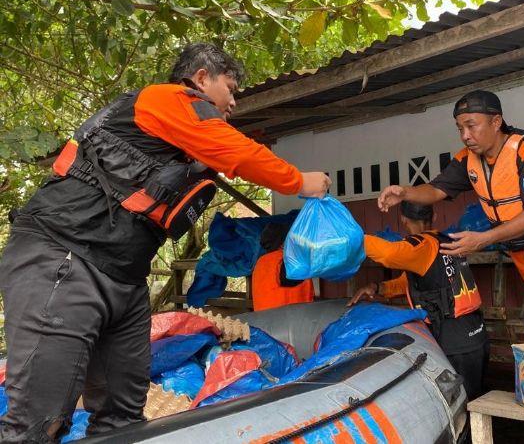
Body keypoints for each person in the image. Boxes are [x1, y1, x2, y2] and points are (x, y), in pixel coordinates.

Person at [0, 42, 330, 443]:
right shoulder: (167, 99)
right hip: (64, 258)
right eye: (230, 89)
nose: (233, 103)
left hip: (125, 280)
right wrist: (302, 182)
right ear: (201, 78)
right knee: (40, 421)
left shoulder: (184, 140)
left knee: (123, 415)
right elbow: (239, 154)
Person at [377, 90, 524, 444]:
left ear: (495, 122)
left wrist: (482, 239)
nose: (465, 135)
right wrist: (406, 193)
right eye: (460, 128)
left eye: (471, 126)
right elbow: (437, 191)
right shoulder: (467, 161)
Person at [348, 201, 490, 405]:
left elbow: (388, 254)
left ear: (404, 220)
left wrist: (351, 237)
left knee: (460, 407)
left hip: (456, 342)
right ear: (433, 217)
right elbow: (416, 281)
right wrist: (378, 288)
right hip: (476, 334)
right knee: (476, 402)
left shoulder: (422, 246)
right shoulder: (444, 241)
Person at [251, 223, 314, 311]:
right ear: (282, 242)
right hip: (288, 321)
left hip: (265, 321)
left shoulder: (261, 263)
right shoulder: (285, 263)